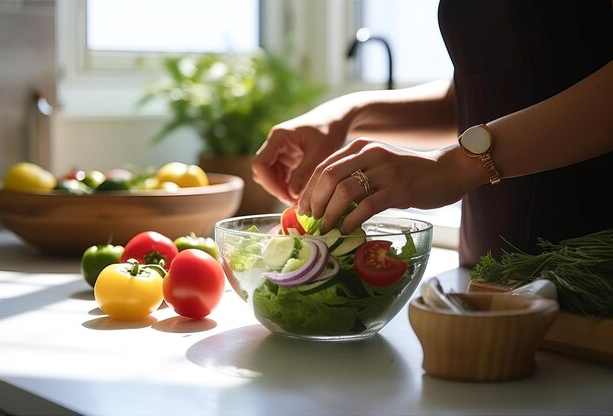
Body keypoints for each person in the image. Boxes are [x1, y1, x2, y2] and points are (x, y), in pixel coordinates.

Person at [252, 0, 613, 267]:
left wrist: (453, 167)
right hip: (493, 269)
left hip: (592, 265)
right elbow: (488, 91)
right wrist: (350, 112)